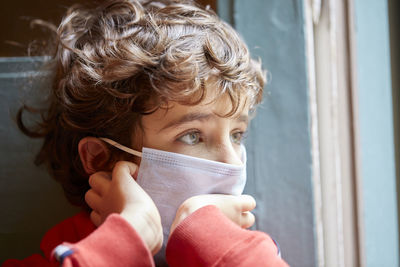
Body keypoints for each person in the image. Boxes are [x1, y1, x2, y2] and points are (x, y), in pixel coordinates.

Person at [3, 0, 289, 266]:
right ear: (100, 158)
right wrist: (134, 232)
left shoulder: (246, 252)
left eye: (237, 135)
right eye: (192, 135)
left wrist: (213, 240)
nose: (232, 163)